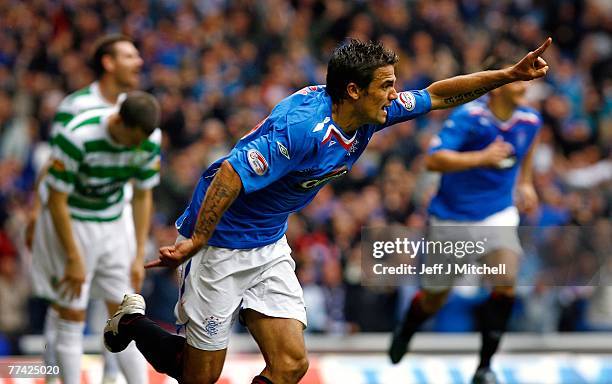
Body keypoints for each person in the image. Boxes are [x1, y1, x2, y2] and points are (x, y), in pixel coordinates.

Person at [104, 37, 551, 384]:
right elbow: (229, 174)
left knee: (292, 364)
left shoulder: (370, 112)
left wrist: (509, 74)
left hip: (269, 241)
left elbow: (437, 95)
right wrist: (198, 239)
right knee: (197, 375)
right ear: (353, 90)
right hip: (222, 242)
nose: (395, 96)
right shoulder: (302, 130)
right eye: (387, 86)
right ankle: (133, 320)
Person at [388, 55, 543, 384]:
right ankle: (408, 327)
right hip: (452, 220)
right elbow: (434, 161)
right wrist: (481, 158)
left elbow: (526, 149)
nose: (524, 85)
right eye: (514, 79)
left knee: (506, 280)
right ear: (497, 87)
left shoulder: (530, 121)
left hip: (498, 214)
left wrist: (526, 183)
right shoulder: (470, 117)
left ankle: (484, 367)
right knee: (434, 299)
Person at [26, 34, 149, 384]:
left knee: (118, 304)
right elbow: (54, 165)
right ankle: (54, 376)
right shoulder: (76, 106)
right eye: (129, 54)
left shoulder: (135, 108)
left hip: (115, 214)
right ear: (108, 63)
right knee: (66, 304)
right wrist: (38, 212)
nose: (139, 61)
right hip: (72, 213)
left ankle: (113, 377)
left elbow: (142, 186)